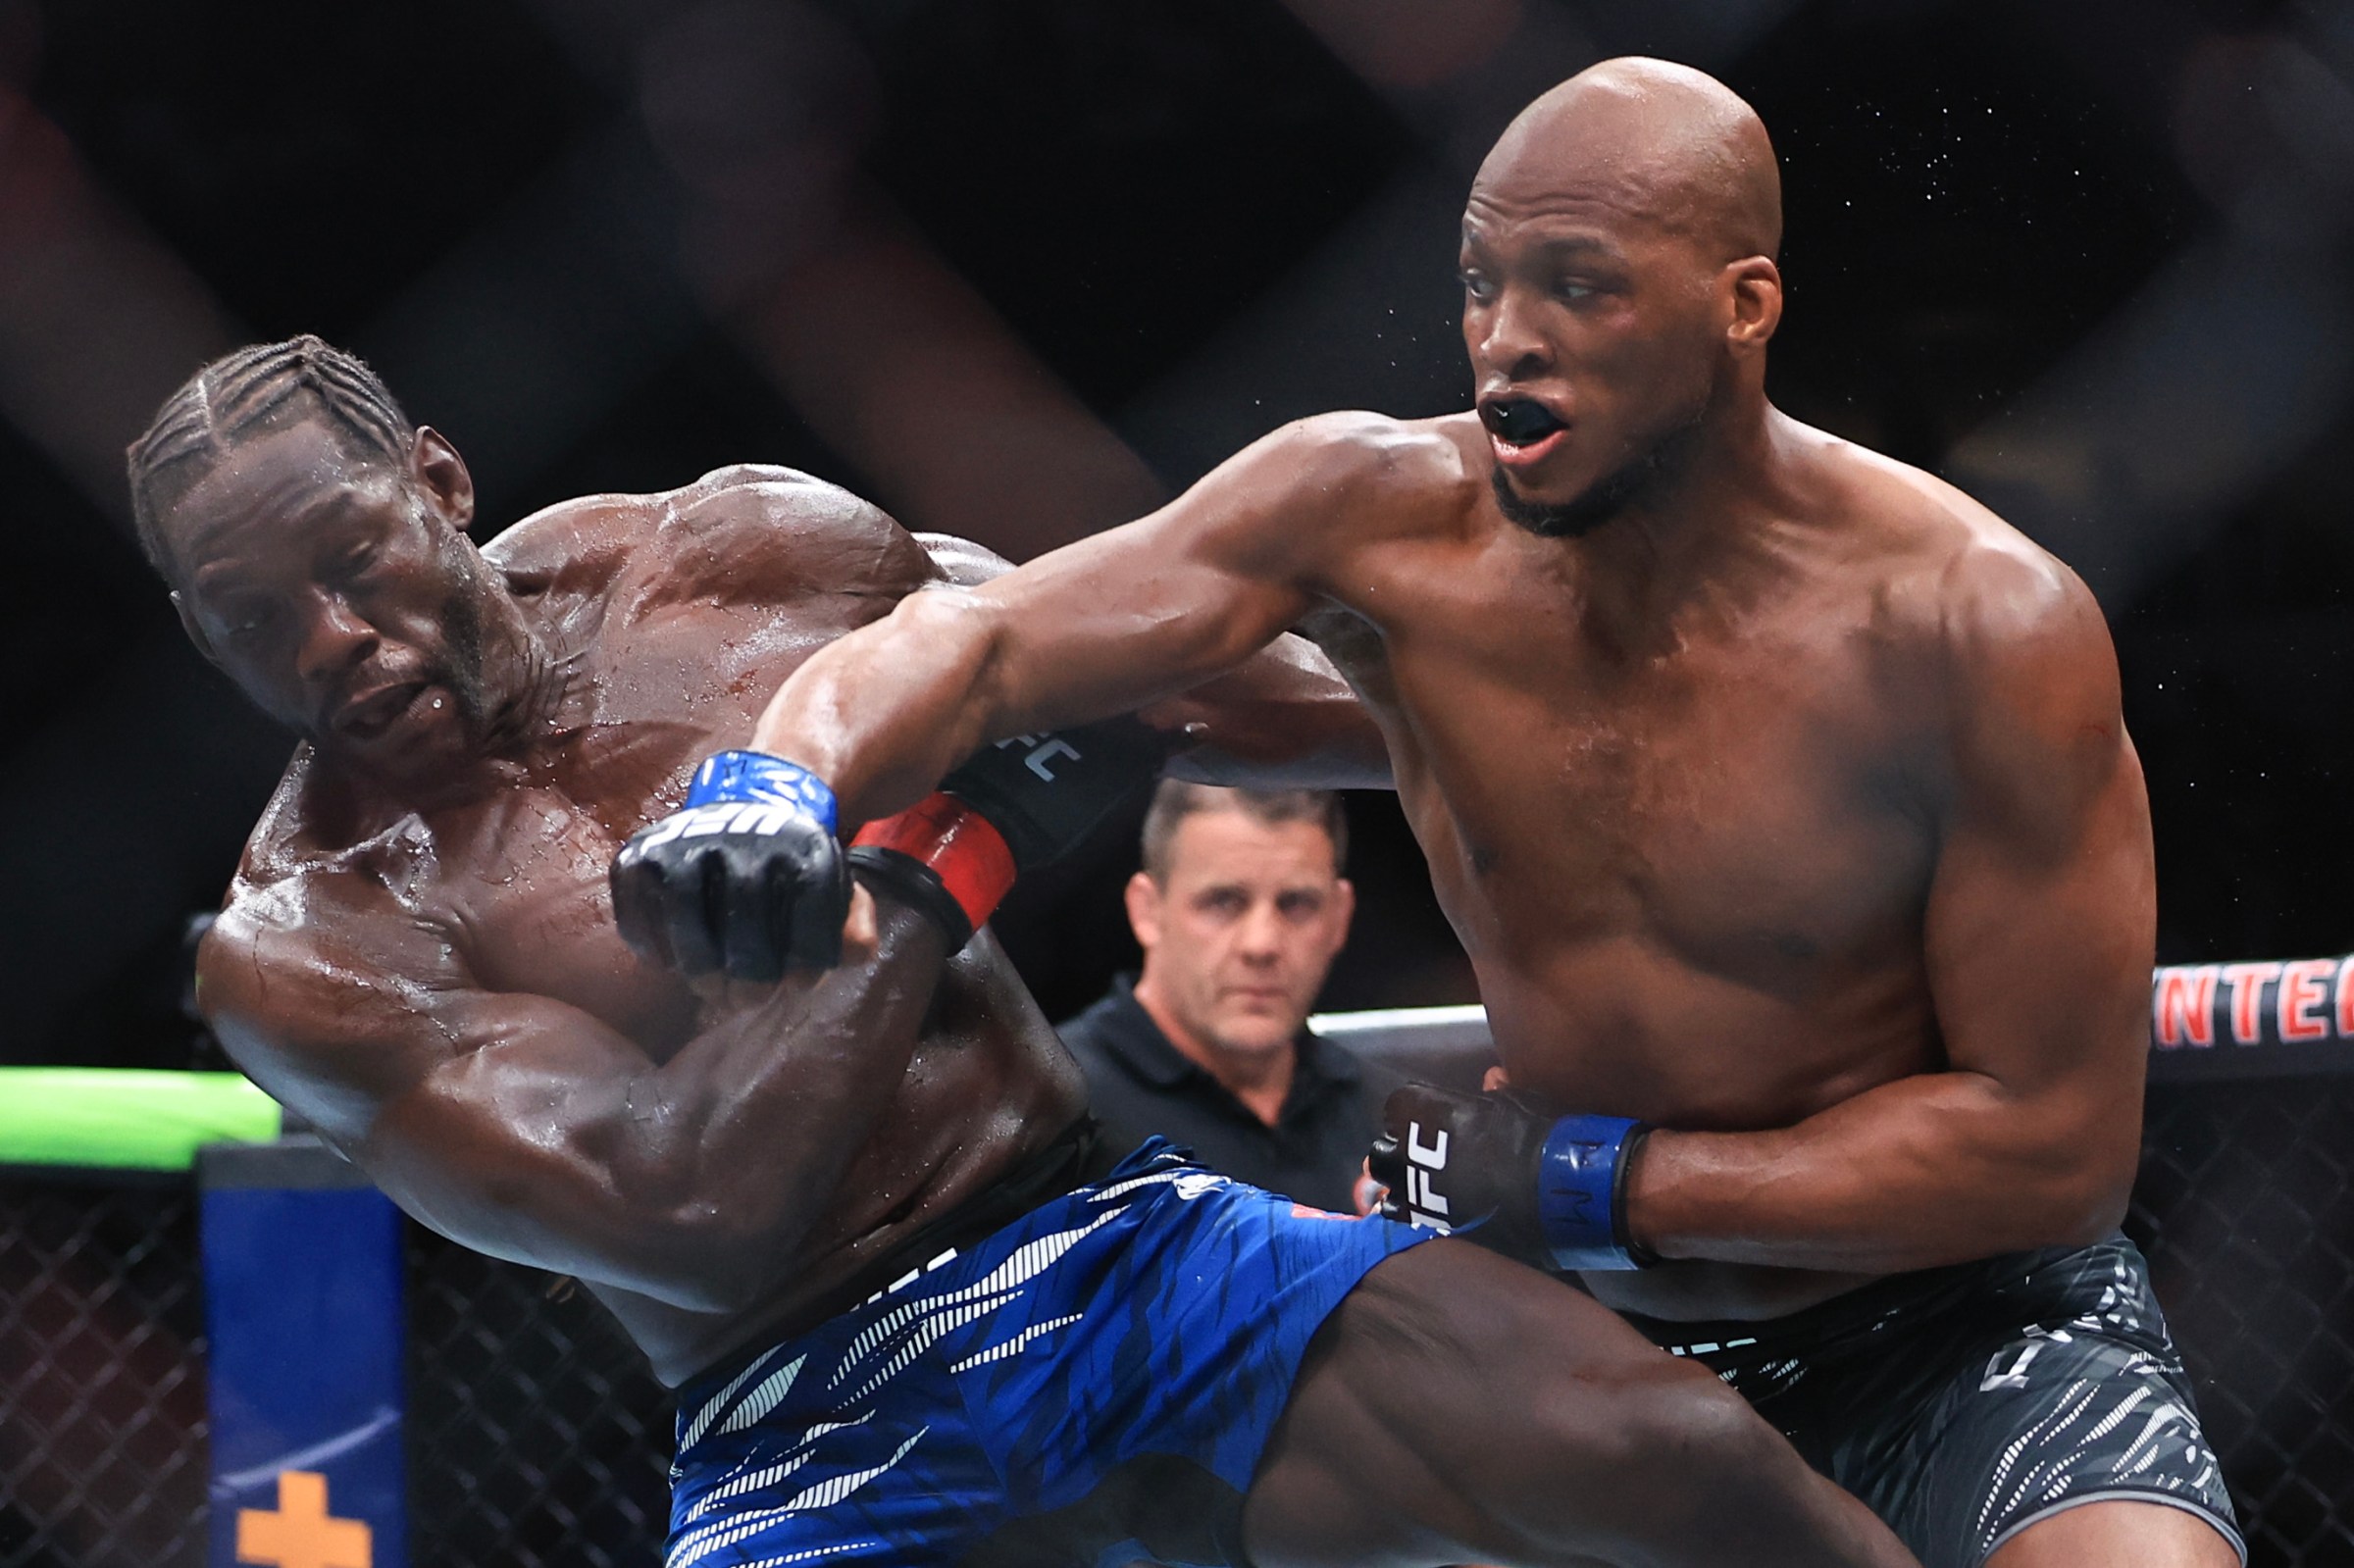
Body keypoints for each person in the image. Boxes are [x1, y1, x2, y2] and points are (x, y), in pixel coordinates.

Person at [627, 58, 2242, 1568]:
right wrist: (776, 776)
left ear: (1743, 305)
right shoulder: (1377, 516)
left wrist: (1602, 1176)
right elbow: (984, 635)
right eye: (1483, 281)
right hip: (1575, 1328)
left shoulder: (1975, 624)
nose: (1507, 340)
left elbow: (2051, 1148)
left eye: (1579, 287)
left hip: (1956, 1320)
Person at [136, 336, 1914, 1568]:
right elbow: (685, 1203)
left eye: (352, 559)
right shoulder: (310, 939)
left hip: (1108, 1238)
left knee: (1680, 1459)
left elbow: (1183, 672)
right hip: (803, 1412)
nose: (332, 640)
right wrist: (946, 841)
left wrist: (1602, 744)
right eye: (252, 621)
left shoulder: (735, 554)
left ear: (434, 480)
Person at [1058, 782, 1388, 1213]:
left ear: (1339, 916)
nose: (1262, 943)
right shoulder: (1052, 1121)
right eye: (1223, 901)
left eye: (1296, 904)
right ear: (1147, 910)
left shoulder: (1392, 1121)